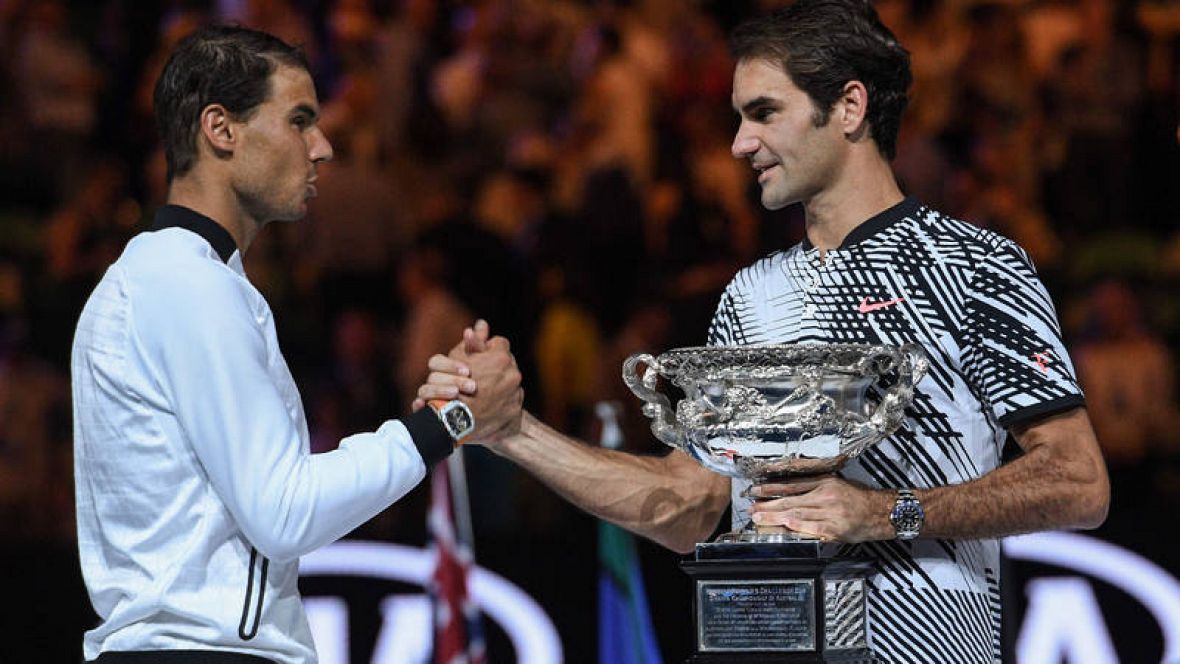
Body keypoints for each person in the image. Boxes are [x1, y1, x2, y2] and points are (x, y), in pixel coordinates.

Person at [417, 2, 1110, 662]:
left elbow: (1079, 483)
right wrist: (513, 433)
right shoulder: (751, 295)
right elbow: (690, 505)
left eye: (763, 113)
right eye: (740, 117)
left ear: (848, 107)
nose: (739, 142)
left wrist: (884, 513)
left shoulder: (976, 265)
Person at [71, 26, 522, 664]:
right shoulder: (186, 282)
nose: (324, 146)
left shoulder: (171, 278)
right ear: (220, 129)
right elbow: (284, 512)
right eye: (300, 120)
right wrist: (449, 422)